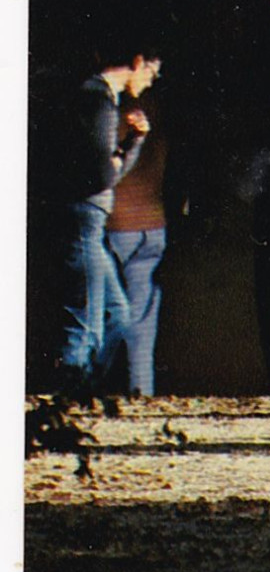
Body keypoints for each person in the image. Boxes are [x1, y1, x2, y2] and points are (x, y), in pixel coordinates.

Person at [52, 34, 163, 399]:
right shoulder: (97, 101)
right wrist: (126, 148)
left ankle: (82, 393)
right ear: (136, 60)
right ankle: (69, 404)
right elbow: (102, 176)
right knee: (86, 322)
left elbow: (105, 170)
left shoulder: (102, 100)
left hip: (94, 219)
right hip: (85, 218)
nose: (151, 80)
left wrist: (130, 143)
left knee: (118, 317)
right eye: (151, 71)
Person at [106, 85, 168, 397]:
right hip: (152, 222)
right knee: (142, 322)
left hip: (114, 223)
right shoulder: (157, 107)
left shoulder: (107, 107)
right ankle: (140, 393)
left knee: (103, 314)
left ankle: (88, 392)